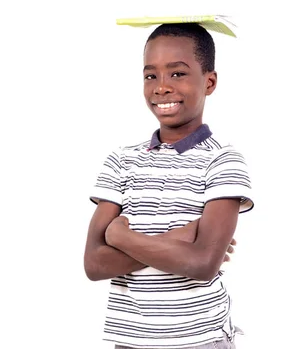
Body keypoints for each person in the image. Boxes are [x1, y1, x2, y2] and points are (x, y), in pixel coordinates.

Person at [83, 22, 254, 349]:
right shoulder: (122, 161)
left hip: (201, 340)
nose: (161, 87)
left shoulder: (223, 162)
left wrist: (120, 237)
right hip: (131, 341)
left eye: (177, 74)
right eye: (151, 75)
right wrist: (180, 239)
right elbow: (95, 263)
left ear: (209, 81)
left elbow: (202, 264)